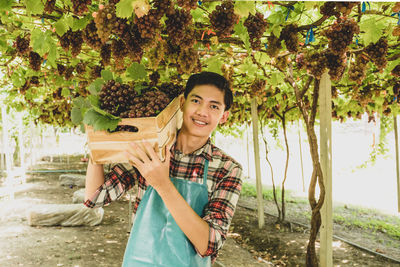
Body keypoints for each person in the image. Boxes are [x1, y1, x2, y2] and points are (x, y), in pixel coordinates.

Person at [84, 71, 243, 266]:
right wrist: (97, 144)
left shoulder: (227, 169)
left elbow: (208, 244)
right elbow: (94, 197)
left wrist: (163, 184)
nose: (202, 111)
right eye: (196, 101)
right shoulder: (150, 148)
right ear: (182, 103)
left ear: (224, 116)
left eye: (213, 106)